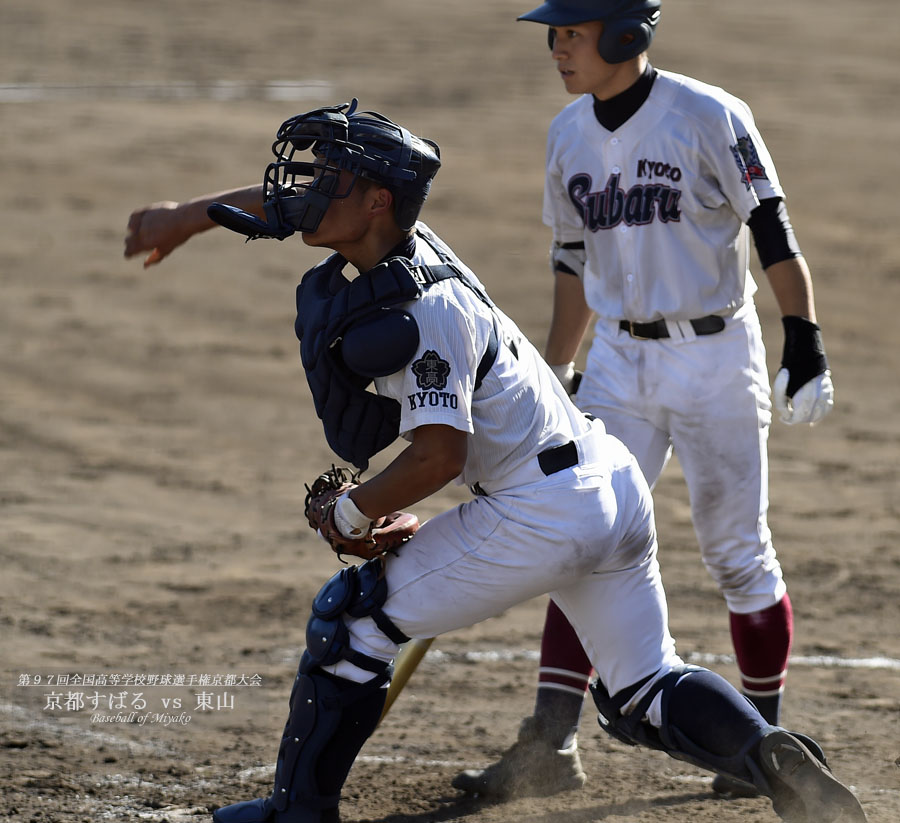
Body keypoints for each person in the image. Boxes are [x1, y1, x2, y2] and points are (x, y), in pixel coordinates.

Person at [123, 100, 864, 823]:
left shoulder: (425, 313)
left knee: (350, 623)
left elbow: (439, 456)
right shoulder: (406, 239)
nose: (308, 192)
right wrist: (190, 214)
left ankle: (298, 811)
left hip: (543, 510)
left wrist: (349, 513)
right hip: (609, 483)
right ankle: (768, 751)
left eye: (330, 179)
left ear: (377, 200)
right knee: (643, 686)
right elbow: (287, 206)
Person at [452, 0, 836, 803]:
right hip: (619, 361)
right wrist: (559, 366)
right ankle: (550, 743)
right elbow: (571, 262)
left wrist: (803, 335)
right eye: (553, 35)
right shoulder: (567, 135)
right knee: (578, 530)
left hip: (713, 355)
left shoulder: (707, 114)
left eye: (571, 34)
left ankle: (758, 744)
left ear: (625, 35)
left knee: (737, 550)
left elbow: (771, 226)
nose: (557, 49)